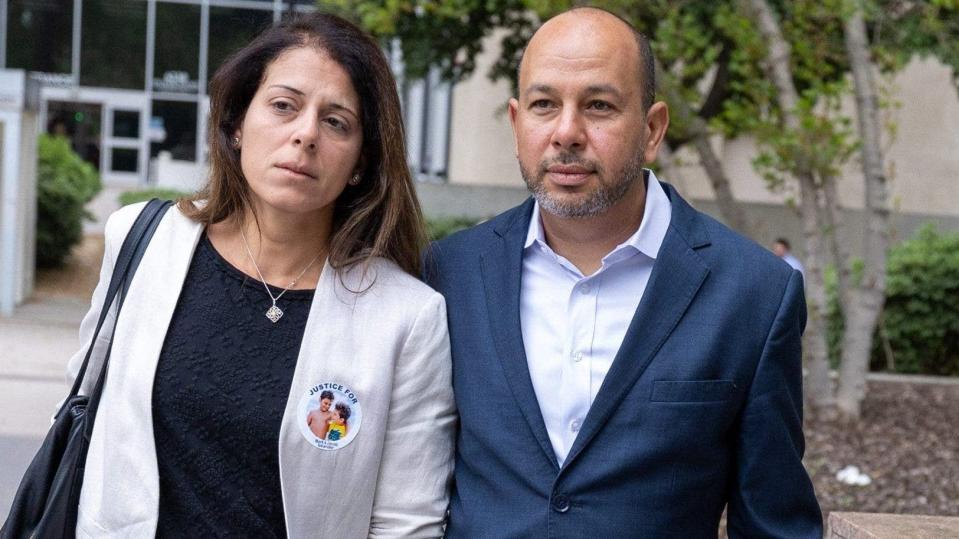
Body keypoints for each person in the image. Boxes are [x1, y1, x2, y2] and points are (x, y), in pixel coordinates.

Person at [425, 7, 822, 537]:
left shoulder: (753, 293)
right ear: (518, 124)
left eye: (599, 106)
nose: (567, 132)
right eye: (545, 105)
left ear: (652, 128)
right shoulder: (448, 274)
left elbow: (774, 525)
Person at [66, 13, 454, 538]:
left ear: (361, 162)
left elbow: (406, 522)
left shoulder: (407, 318)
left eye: (336, 121)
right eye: (283, 106)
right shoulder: (140, 239)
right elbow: (81, 414)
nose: (306, 135)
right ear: (236, 125)